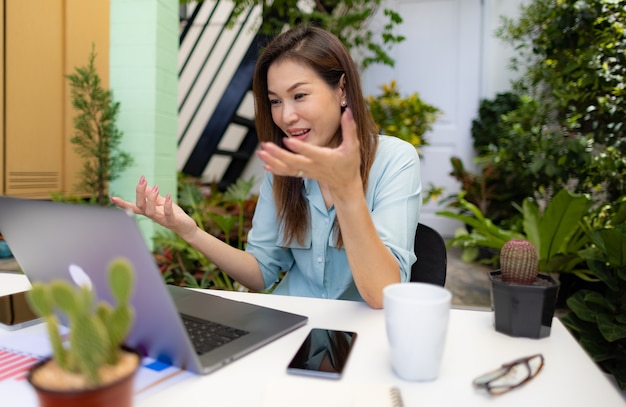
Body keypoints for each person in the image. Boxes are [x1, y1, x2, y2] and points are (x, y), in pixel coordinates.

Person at [111, 25, 421, 309]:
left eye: (299, 95)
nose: (286, 116)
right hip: (291, 322)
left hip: (360, 337)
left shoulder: (395, 161)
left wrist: (346, 190)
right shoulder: (282, 171)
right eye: (275, 101)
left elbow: (383, 295)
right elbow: (260, 272)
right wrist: (189, 231)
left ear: (341, 90)